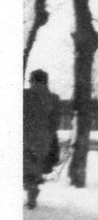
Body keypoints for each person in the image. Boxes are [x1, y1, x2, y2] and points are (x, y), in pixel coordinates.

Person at [22, 70, 62, 210]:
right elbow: (55, 122)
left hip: (25, 137)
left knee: (25, 167)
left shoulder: (24, 96)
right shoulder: (54, 99)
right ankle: (32, 193)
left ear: (32, 80)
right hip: (44, 140)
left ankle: (31, 191)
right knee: (35, 167)